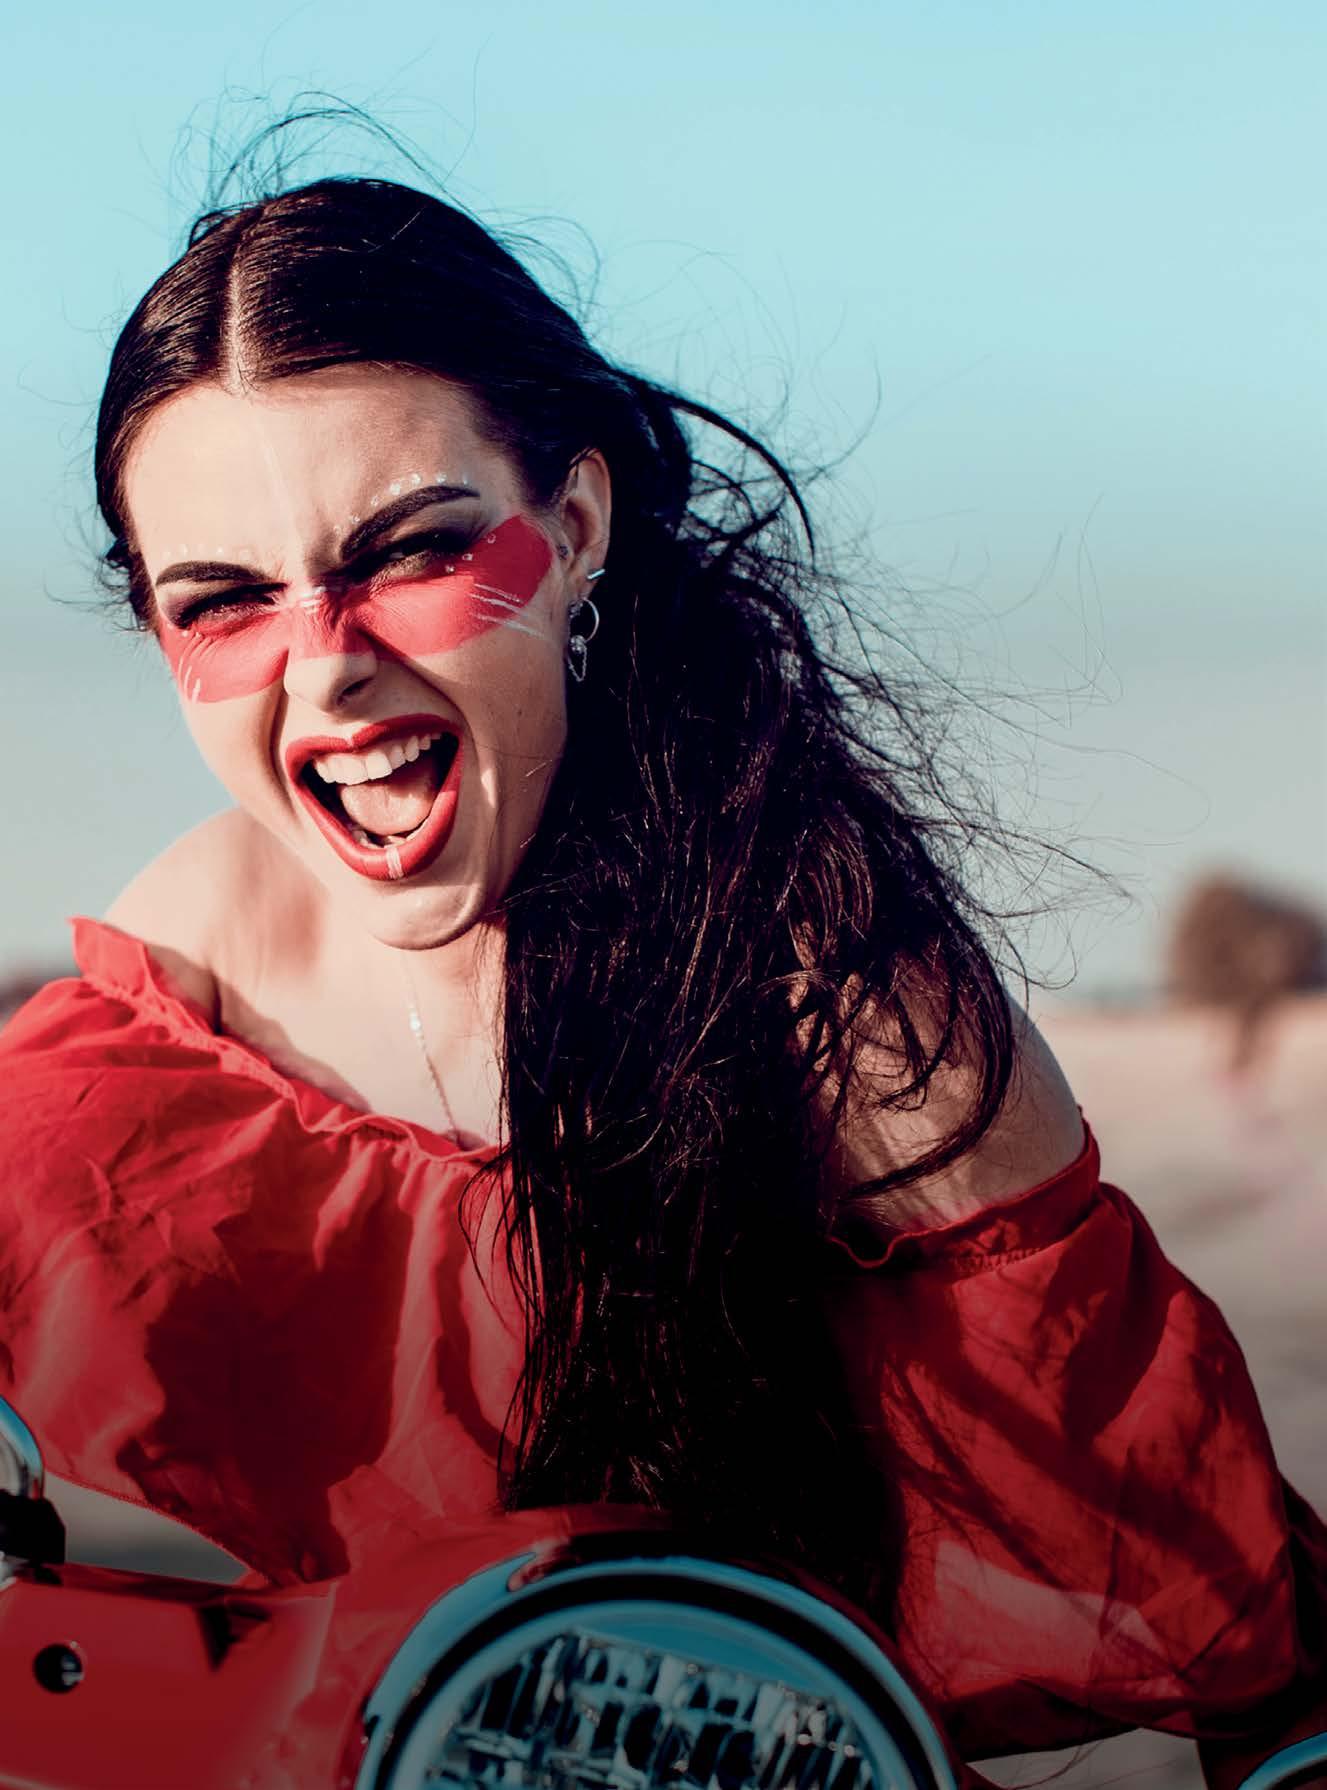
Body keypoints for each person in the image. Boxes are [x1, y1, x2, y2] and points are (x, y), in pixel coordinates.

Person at [0, 170, 1323, 1784]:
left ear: (575, 528)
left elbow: (1247, 1639)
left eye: (412, 550)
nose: (327, 662)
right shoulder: (185, 987)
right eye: (224, 600)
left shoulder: (834, 996)